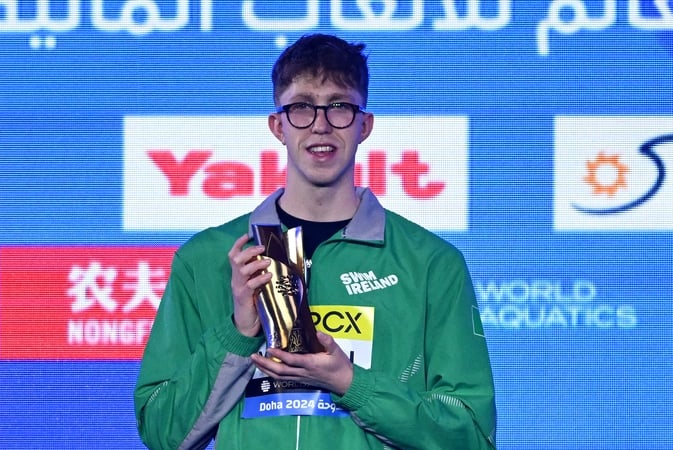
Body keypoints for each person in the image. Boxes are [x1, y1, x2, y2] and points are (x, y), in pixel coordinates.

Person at [134, 33, 496, 449]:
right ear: (278, 125)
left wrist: (350, 383)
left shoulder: (431, 264)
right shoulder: (208, 259)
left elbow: (470, 434)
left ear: (364, 125)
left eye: (339, 106)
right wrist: (238, 332)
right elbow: (163, 433)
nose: (321, 124)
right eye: (302, 107)